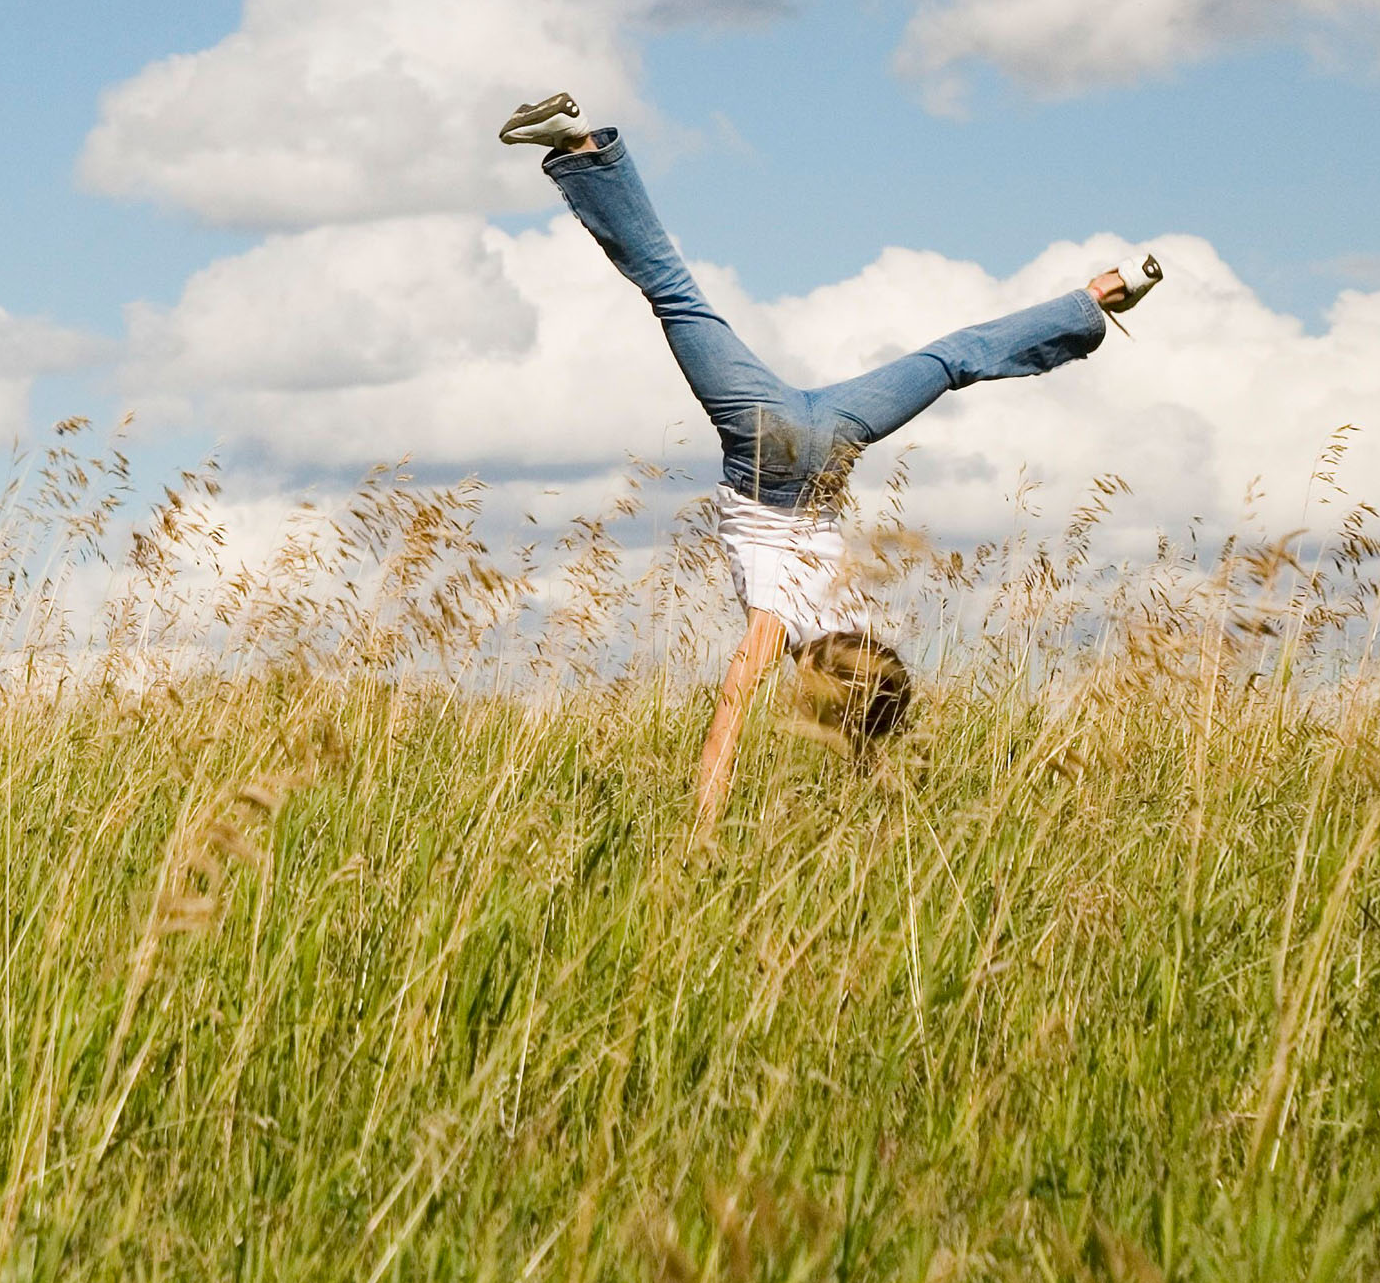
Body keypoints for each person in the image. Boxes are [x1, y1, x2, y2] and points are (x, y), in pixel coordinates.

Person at [496, 91, 1162, 823]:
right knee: (674, 293)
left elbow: (870, 703)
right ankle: (580, 145)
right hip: (766, 445)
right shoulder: (780, 621)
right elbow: (730, 712)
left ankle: (1099, 293)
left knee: (952, 358)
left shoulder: (865, 628)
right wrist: (704, 826)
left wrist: (874, 760)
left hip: (837, 440)